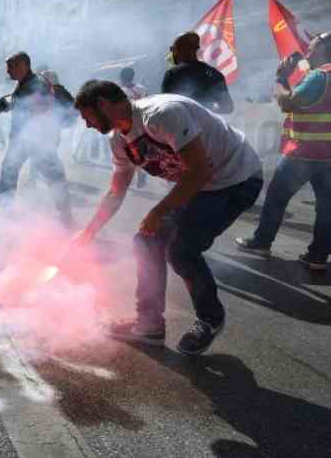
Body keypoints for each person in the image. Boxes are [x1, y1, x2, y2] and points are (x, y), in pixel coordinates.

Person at [71, 80, 263, 355]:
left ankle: (210, 319)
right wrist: (89, 231)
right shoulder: (119, 141)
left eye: (86, 116)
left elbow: (199, 172)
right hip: (200, 185)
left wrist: (157, 212)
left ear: (102, 104)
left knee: (182, 250)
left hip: (236, 179)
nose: (87, 124)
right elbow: (116, 191)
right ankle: (149, 325)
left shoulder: (162, 114)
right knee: (145, 241)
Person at [235, 32, 331, 270]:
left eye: (312, 47)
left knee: (276, 198)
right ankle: (318, 256)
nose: (307, 52)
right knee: (327, 208)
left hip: (303, 154)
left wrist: (281, 77)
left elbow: (287, 103)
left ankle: (261, 242)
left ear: (323, 50)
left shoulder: (320, 77)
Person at [0, 52, 72, 224]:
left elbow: (40, 108)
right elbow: (19, 102)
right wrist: (1, 108)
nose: (8, 71)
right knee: (10, 169)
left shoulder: (37, 84)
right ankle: (4, 206)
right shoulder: (26, 83)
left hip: (37, 138)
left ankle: (65, 214)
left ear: (23, 65)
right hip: (24, 138)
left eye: (11, 67)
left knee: (52, 174)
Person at [162, 32, 234, 115]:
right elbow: (228, 107)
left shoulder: (172, 74)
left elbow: (166, 108)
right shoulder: (214, 73)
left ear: (178, 50)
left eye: (172, 49)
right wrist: (206, 111)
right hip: (207, 126)